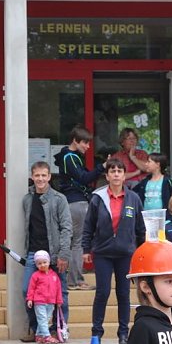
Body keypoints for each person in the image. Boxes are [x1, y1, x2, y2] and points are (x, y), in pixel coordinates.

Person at [82, 158, 146, 344]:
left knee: (124, 293)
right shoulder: (98, 197)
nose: (116, 174)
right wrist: (86, 249)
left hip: (126, 253)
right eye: (113, 171)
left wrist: (141, 252)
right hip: (102, 252)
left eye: (120, 171)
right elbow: (88, 226)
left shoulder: (133, 198)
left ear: (124, 175)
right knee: (102, 292)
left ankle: (123, 334)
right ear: (107, 175)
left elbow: (140, 228)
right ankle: (96, 334)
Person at [20, 161, 72, 343]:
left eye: (44, 175)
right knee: (27, 289)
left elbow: (67, 228)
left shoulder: (59, 199)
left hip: (55, 253)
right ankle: (39, 331)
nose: (40, 179)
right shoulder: (27, 199)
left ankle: (58, 330)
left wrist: (64, 254)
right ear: (32, 177)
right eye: (37, 175)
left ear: (49, 177)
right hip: (34, 253)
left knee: (60, 293)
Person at [54, 125, 105, 291]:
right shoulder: (70, 157)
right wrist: (102, 168)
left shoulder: (69, 157)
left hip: (74, 201)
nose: (88, 147)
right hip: (76, 202)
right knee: (77, 242)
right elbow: (84, 178)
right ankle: (75, 280)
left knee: (72, 241)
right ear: (75, 141)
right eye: (85, 143)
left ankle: (72, 278)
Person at [25, 250, 64, 344]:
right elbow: (31, 288)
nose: (42, 265)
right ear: (36, 264)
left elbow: (58, 289)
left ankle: (39, 336)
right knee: (42, 319)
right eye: (39, 263)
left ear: (49, 262)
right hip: (39, 301)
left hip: (51, 302)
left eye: (44, 262)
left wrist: (59, 301)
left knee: (45, 319)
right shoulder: (35, 275)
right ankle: (47, 336)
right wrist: (30, 299)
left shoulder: (54, 275)